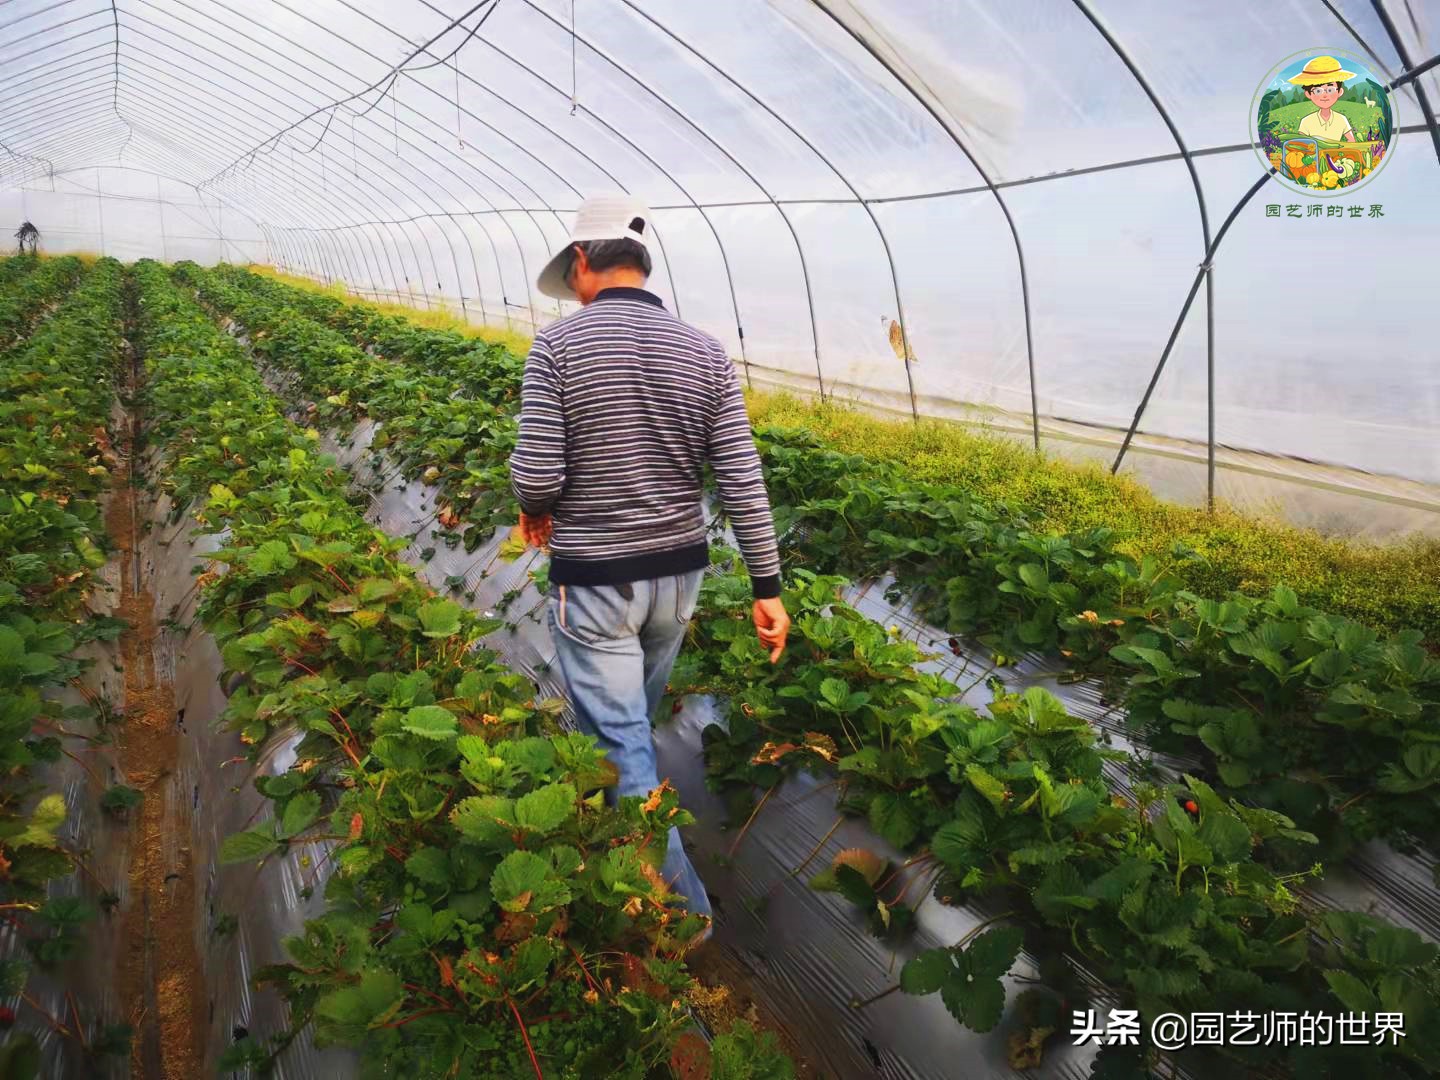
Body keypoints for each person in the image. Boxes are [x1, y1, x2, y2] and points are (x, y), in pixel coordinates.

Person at [509, 195, 790, 924]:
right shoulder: (702, 351)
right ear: (641, 264)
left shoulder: (558, 349)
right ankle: (612, 822)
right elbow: (741, 477)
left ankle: (675, 915)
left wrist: (535, 506)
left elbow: (537, 476)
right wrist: (768, 586)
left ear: (581, 262)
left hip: (599, 580)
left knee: (624, 742)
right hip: (679, 578)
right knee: (628, 718)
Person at [1291, 55, 1357, 143]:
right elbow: (1302, 144)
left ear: (1340, 92)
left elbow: (1351, 140)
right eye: (1318, 91)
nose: (1325, 95)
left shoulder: (1341, 119)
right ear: (1308, 94)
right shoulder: (1306, 121)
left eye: (1330, 90)